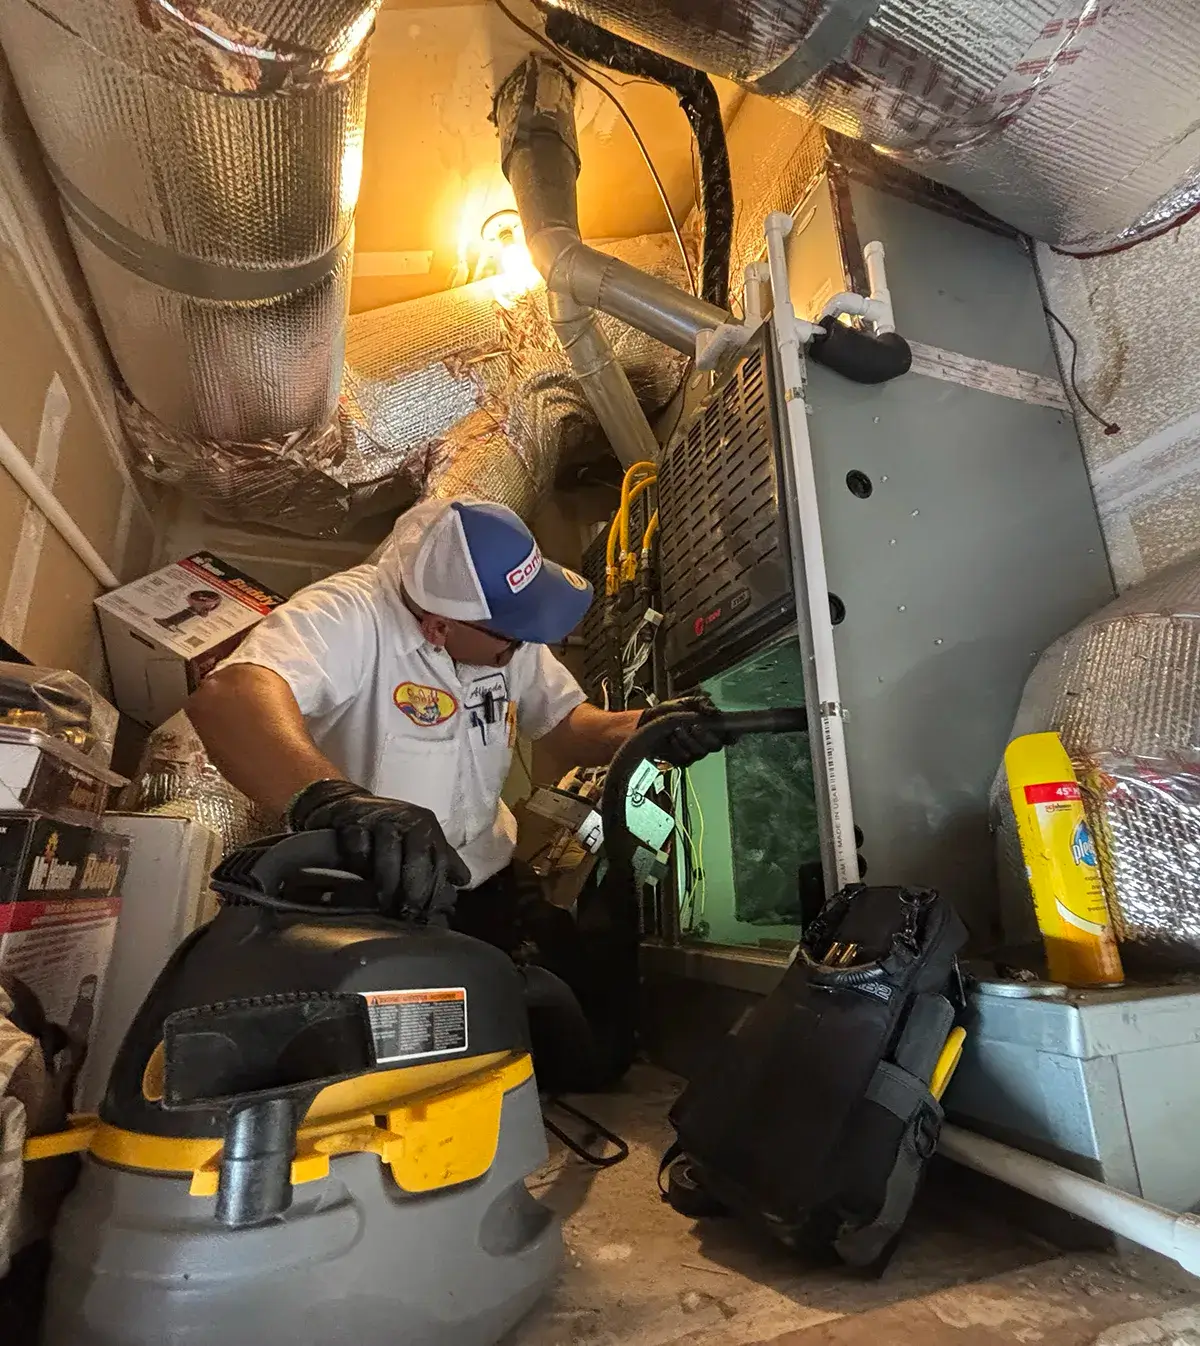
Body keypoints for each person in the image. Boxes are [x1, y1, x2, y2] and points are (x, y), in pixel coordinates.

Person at [186, 496, 724, 952]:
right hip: (377, 900)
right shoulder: (348, 613)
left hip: (486, 875)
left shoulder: (502, 632)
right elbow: (229, 697)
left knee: (590, 1026)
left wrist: (646, 728)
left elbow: (565, 724)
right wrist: (334, 801)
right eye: (512, 638)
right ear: (439, 627)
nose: (526, 648)